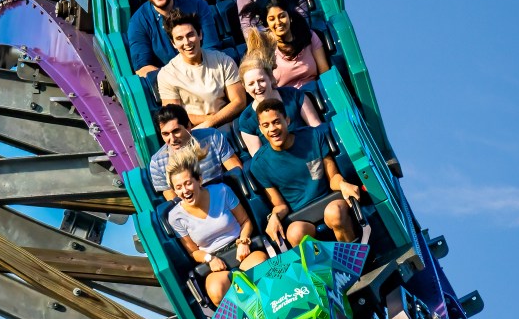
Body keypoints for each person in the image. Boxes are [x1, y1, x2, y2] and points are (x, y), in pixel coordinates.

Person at [249, 101, 361, 246]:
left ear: (287, 120)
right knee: (295, 233)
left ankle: (352, 262)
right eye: (266, 125)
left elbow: (333, 177)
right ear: (261, 129)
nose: (272, 129)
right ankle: (323, 268)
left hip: (329, 201)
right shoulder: (259, 164)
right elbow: (280, 205)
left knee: (335, 213)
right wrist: (274, 216)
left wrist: (342, 184)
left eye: (276, 122)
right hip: (300, 217)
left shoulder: (313, 136)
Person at [166, 146, 267, 305]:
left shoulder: (221, 191)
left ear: (198, 180)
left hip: (240, 248)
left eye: (188, 183)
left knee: (260, 269)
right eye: (178, 187)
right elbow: (193, 252)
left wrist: (243, 241)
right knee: (216, 291)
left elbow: (245, 221)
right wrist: (209, 259)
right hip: (214, 261)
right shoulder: (175, 217)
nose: (185, 191)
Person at [126, 0, 222, 75]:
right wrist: (177, 79)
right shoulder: (138, 22)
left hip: (205, 71)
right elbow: (142, 68)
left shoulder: (197, 5)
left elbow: (211, 47)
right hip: (169, 84)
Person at [157, 10, 244, 128]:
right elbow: (173, 117)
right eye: (179, 38)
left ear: (200, 34)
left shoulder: (222, 60)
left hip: (229, 124)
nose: (186, 42)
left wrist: (212, 122)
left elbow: (239, 101)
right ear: (173, 43)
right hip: (195, 131)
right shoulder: (167, 75)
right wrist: (208, 120)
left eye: (190, 35)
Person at [235, 53, 322, 155]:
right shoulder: (246, 120)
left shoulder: (293, 94)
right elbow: (260, 159)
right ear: (244, 87)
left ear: (271, 78)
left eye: (261, 80)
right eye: (251, 84)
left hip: (311, 150)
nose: (257, 87)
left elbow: (317, 127)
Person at [149, 104, 241, 200]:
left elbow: (236, 171)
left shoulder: (213, 137)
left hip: (224, 196)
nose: (172, 139)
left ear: (188, 126)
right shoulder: (157, 163)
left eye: (176, 131)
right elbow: (174, 201)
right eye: (166, 134)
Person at [242, 0, 330, 88]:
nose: (278, 22)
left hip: (316, 92)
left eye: (282, 16)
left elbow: (325, 72)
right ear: (267, 24)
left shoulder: (309, 36)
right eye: (272, 19)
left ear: (290, 18)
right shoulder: (265, 50)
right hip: (287, 98)